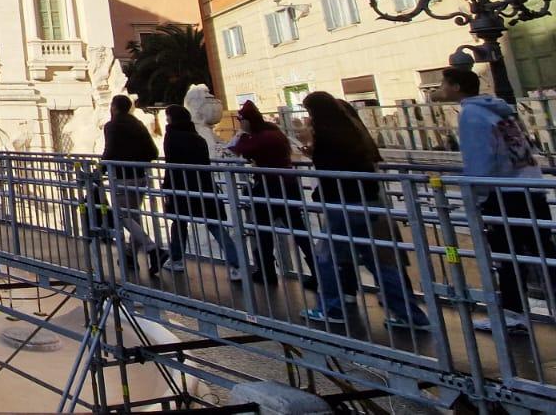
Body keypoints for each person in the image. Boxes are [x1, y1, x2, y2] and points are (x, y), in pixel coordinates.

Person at [436, 66, 555, 332]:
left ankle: (513, 314)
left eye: (443, 84)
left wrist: (475, 197)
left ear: (455, 87)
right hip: (530, 187)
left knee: (508, 256)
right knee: (543, 253)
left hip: (504, 194)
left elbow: (479, 160)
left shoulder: (471, 115)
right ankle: (515, 312)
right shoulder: (498, 111)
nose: (439, 89)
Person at [300, 91, 427, 328]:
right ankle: (411, 315)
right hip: (368, 201)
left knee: (326, 258)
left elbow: (328, 173)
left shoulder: (326, 137)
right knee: (380, 261)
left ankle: (331, 308)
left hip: (343, 203)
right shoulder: (352, 133)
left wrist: (318, 182)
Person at [230, 100, 318, 287]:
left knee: (263, 231)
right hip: (287, 184)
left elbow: (238, 149)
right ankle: (317, 270)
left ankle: (267, 272)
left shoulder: (260, 137)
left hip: (270, 187)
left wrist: (243, 133)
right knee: (299, 230)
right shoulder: (275, 133)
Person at [161, 105, 243, 280]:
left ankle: (176, 259)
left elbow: (171, 165)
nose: (166, 121)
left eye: (167, 117)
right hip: (203, 185)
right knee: (213, 224)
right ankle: (237, 264)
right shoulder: (197, 137)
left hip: (181, 187)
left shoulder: (172, 136)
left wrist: (166, 187)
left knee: (179, 223)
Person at [101, 95, 162, 275]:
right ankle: (130, 257)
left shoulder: (112, 126)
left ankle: (152, 248)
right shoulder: (138, 124)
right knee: (133, 218)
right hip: (140, 177)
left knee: (121, 215)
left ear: (114, 107)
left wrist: (100, 170)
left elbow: (109, 151)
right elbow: (153, 151)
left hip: (121, 177)